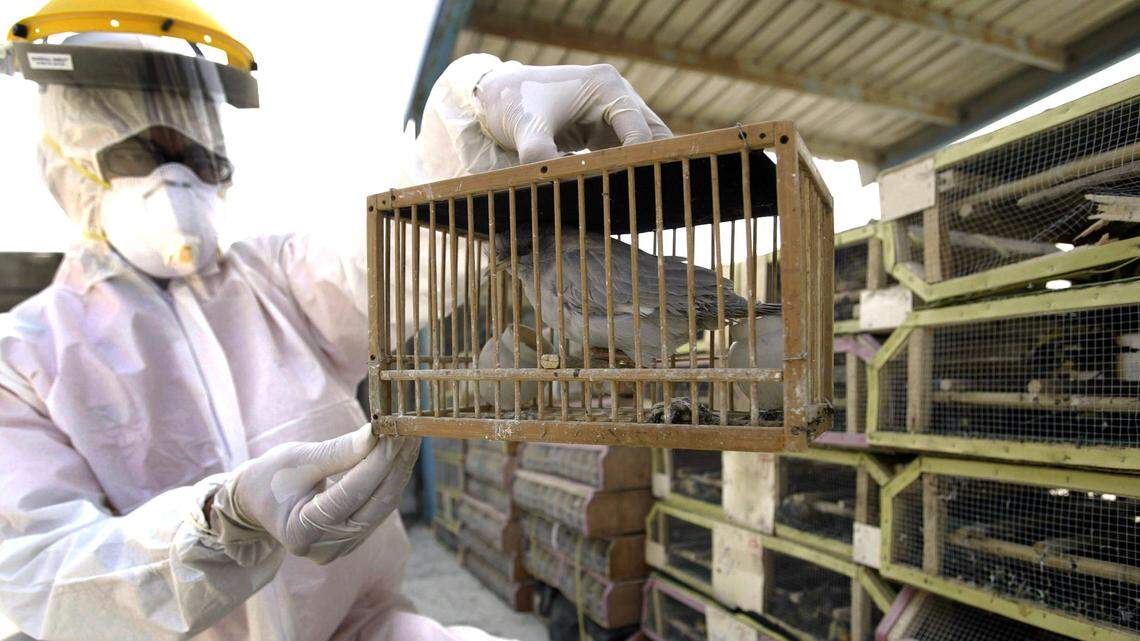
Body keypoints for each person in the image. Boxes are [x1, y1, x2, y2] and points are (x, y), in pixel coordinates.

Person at [0, 2, 670, 640]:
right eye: (139, 152)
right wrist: (217, 524)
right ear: (69, 166)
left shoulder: (278, 281)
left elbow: (400, 254)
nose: (176, 180)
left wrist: (473, 122)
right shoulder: (24, 362)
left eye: (197, 157)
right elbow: (38, 575)